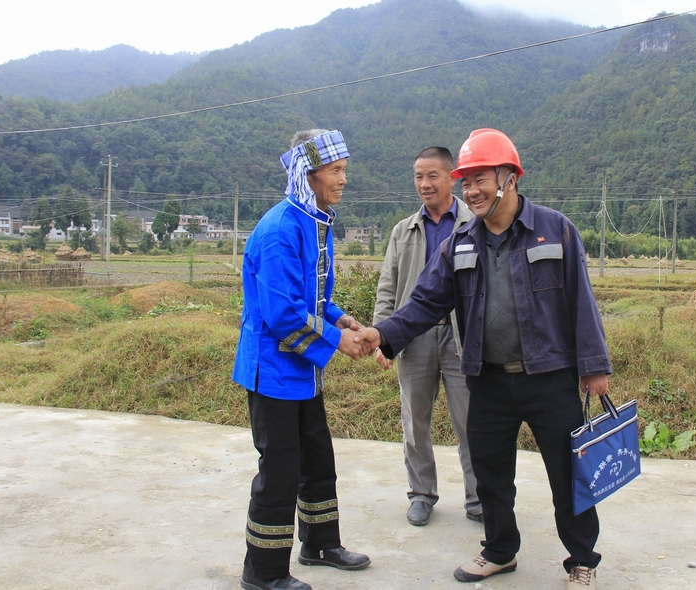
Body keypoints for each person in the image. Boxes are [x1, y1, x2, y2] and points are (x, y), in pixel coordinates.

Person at [359, 128, 611, 589]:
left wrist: (594, 367)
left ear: (508, 178)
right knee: (492, 474)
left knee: (567, 474)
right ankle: (499, 551)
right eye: (466, 180)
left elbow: (582, 302)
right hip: (487, 379)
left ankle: (582, 559)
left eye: (480, 179)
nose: (470, 190)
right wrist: (381, 333)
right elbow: (423, 303)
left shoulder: (554, 230)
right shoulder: (461, 242)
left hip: (550, 378)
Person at [232, 128, 371, 590]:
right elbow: (282, 314)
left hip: (303, 372)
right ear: (307, 176)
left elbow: (312, 299)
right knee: (280, 471)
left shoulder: (314, 222)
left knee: (317, 458)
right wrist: (337, 341)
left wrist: (343, 319)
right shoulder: (279, 230)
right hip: (273, 371)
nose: (343, 179)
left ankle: (320, 544)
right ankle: (264, 572)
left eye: (344, 170)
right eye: (336, 171)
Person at [372, 147, 480, 527]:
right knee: (414, 422)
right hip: (413, 337)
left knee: (470, 421)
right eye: (418, 176)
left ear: (451, 177)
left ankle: (479, 497)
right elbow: (387, 287)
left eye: (432, 175)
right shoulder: (404, 231)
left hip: (462, 338)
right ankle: (421, 493)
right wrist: (382, 338)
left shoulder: (473, 224)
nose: (424, 184)